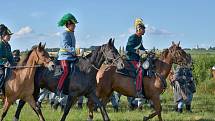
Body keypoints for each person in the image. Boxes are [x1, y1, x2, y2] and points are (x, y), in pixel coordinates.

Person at [57, 13, 78, 94]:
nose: (75, 26)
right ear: (69, 25)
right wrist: (74, 51)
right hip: (64, 57)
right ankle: (58, 89)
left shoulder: (72, 33)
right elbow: (65, 45)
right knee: (66, 71)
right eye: (74, 25)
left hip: (71, 57)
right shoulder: (64, 33)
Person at [126, 18, 146, 98]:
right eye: (143, 29)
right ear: (138, 29)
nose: (144, 31)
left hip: (137, 59)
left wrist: (146, 51)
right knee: (140, 70)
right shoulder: (132, 37)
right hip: (131, 59)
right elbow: (128, 48)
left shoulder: (140, 38)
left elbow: (142, 47)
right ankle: (138, 90)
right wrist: (137, 51)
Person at [0, 24, 14, 94]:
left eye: (10, 35)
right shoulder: (0, 44)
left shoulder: (8, 45)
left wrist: (15, 64)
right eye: (8, 35)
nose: (10, 37)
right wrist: (4, 62)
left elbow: (10, 57)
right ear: (2, 36)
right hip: (1, 65)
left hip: (6, 65)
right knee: (2, 74)